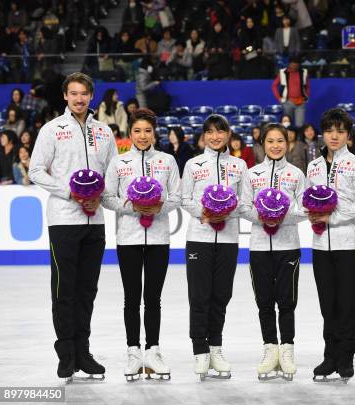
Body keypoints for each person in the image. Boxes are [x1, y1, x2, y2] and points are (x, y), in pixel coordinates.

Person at [29, 72, 118, 381]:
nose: (79, 98)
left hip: (95, 222)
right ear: (66, 96)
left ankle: (83, 352)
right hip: (64, 219)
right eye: (74, 93)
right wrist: (71, 192)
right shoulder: (52, 130)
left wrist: (100, 199)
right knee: (63, 290)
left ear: (91, 96)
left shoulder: (104, 132)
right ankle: (66, 354)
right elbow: (36, 170)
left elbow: (113, 175)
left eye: (84, 93)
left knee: (87, 291)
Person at [103, 108, 181, 381]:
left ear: (154, 132)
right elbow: (108, 197)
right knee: (131, 298)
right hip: (128, 239)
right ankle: (133, 352)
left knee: (153, 299)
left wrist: (158, 208)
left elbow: (177, 197)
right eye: (137, 130)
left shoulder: (167, 161)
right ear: (130, 133)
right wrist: (131, 207)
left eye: (147, 130)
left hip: (159, 238)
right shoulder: (119, 162)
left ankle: (153, 351)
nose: (143, 136)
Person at [181, 114, 248, 380]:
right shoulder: (193, 164)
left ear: (228, 134)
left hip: (229, 238)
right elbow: (184, 199)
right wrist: (205, 213)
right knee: (199, 297)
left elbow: (244, 201)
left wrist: (228, 212)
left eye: (220, 131)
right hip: (199, 237)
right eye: (210, 132)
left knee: (221, 295)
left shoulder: (240, 165)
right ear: (203, 136)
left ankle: (215, 348)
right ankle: (200, 351)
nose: (215, 136)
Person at [307, 108, 355, 382]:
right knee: (327, 304)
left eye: (340, 131)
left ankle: (346, 356)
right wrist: (312, 213)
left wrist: (332, 216)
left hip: (347, 243)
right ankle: (329, 355)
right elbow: (307, 199)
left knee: (346, 304)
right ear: (323, 132)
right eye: (330, 130)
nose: (334, 136)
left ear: (348, 136)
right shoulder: (313, 166)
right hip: (320, 244)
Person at [239, 123, 306, 380]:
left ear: (287, 144)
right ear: (262, 144)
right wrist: (263, 217)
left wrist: (281, 217)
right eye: (270, 141)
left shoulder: (296, 174)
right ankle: (270, 349)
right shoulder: (252, 174)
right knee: (264, 301)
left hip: (288, 246)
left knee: (287, 301)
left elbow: (305, 209)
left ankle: (287, 350)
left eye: (280, 141)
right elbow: (243, 207)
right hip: (258, 247)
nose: (276, 145)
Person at [271, 56, 310, 128]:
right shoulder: (282, 73)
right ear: (289, 64)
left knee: (300, 125)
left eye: (296, 65)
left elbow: (307, 86)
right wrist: (278, 98)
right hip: (287, 102)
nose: (294, 67)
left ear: (299, 65)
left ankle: (299, 139)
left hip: (300, 101)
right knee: (287, 124)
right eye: (292, 65)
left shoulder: (304, 72)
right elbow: (274, 86)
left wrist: (306, 96)